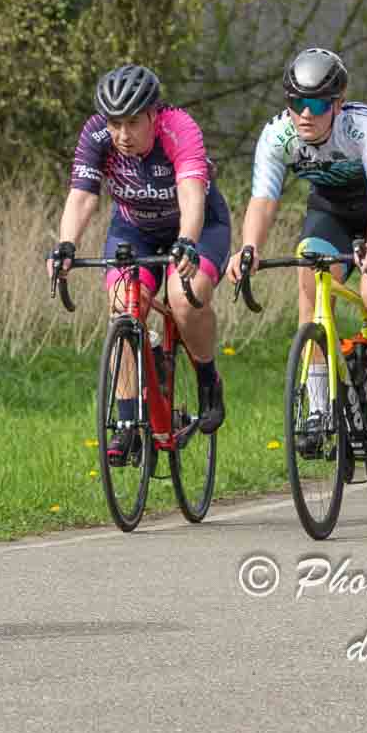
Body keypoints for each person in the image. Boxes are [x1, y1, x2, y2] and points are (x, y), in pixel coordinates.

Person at [226, 48, 367, 451]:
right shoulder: (277, 135)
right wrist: (249, 247)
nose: (305, 113)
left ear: (338, 103)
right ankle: (318, 408)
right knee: (311, 279)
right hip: (332, 212)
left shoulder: (363, 126)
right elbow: (263, 202)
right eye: (296, 102)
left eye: (318, 104)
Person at [48, 64, 230, 458]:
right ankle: (129, 421)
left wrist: (187, 240)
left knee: (184, 298)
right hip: (134, 228)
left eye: (132, 123)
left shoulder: (178, 128)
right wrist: (66, 245)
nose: (122, 135)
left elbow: (191, 192)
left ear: (153, 114)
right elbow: (83, 195)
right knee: (123, 308)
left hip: (196, 224)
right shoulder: (96, 135)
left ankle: (207, 377)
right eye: (115, 124)